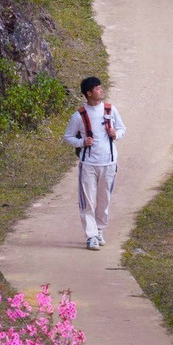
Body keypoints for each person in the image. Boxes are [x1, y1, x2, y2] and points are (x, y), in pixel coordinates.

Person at [64, 76, 126, 251]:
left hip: (109, 162)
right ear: (88, 93)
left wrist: (116, 133)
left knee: (104, 199)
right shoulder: (79, 115)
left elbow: (122, 128)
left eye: (100, 87)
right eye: (97, 88)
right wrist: (82, 142)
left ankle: (99, 230)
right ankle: (91, 236)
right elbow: (68, 136)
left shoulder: (110, 110)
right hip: (88, 164)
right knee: (87, 201)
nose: (101, 90)